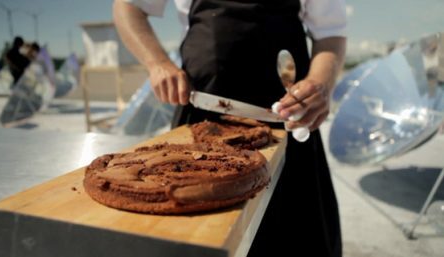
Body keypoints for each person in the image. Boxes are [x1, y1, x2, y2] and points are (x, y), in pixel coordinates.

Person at [114, 0, 346, 256]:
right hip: (202, 122)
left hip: (290, 119)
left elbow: (330, 35)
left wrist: (319, 83)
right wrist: (157, 63)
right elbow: (128, 7)